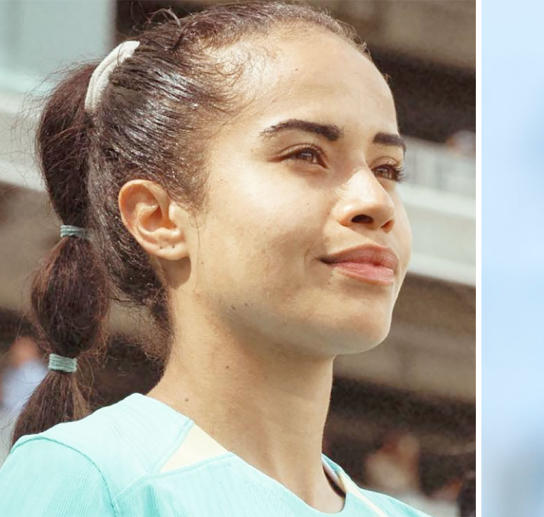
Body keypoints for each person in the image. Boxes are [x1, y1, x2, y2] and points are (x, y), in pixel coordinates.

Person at [0, 3, 430, 516]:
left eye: (388, 168)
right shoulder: (89, 479)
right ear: (158, 217)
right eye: (306, 154)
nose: (375, 203)